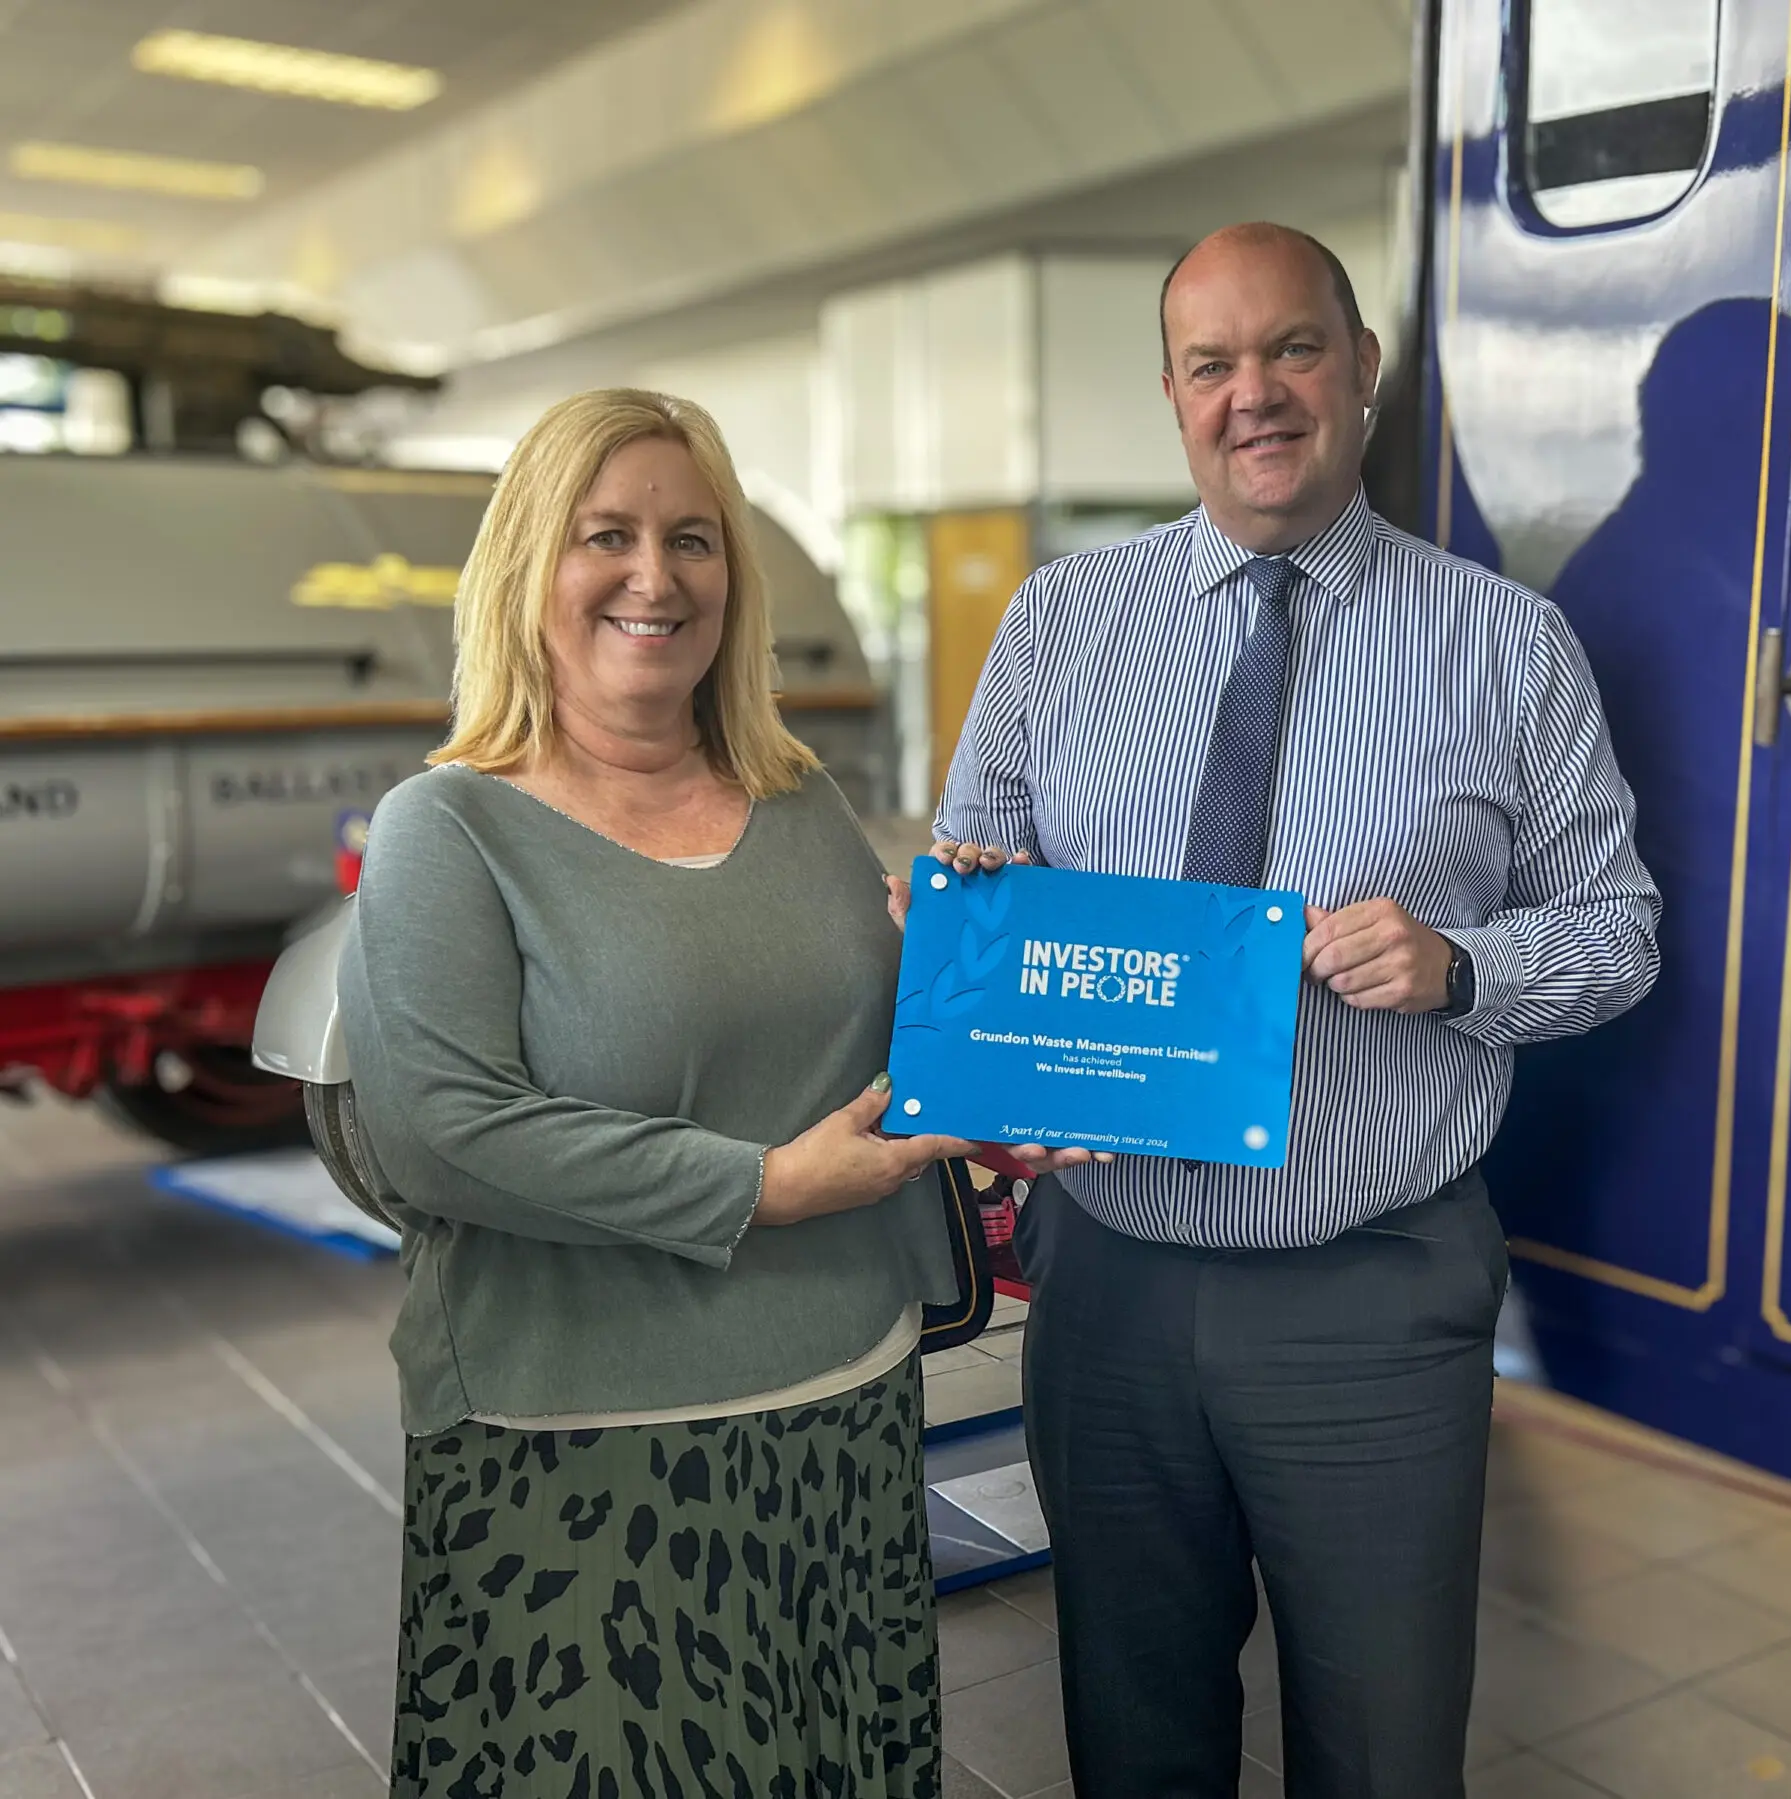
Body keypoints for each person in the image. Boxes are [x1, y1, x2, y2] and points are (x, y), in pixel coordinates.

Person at [934, 224, 1662, 1798]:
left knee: (1387, 1748)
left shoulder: (1505, 644)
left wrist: (1460, 966)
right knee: (1135, 1734)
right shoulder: (1062, 624)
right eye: (1214, 362)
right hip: (1110, 1284)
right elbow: (969, 880)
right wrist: (975, 1008)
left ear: (1362, 373)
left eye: (1293, 350)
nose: (1254, 393)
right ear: (1175, 394)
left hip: (1370, 1299)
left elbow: (1621, 934)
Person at [341, 388, 973, 1799]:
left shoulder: (797, 796)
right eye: (605, 534)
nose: (655, 574)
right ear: (528, 568)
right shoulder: (450, 828)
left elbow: (873, 1053)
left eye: (694, 538)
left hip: (840, 1417)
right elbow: (444, 1133)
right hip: (578, 1458)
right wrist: (761, 1186)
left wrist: (984, 998)